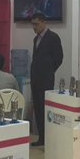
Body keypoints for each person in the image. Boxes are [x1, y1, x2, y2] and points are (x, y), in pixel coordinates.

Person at [30, 12, 63, 147]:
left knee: (45, 109)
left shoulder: (53, 37)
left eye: (36, 24)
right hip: (35, 79)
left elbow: (58, 58)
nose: (34, 27)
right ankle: (41, 137)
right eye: (32, 24)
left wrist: (49, 70)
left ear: (44, 23)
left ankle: (47, 137)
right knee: (38, 109)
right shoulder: (35, 39)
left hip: (46, 79)